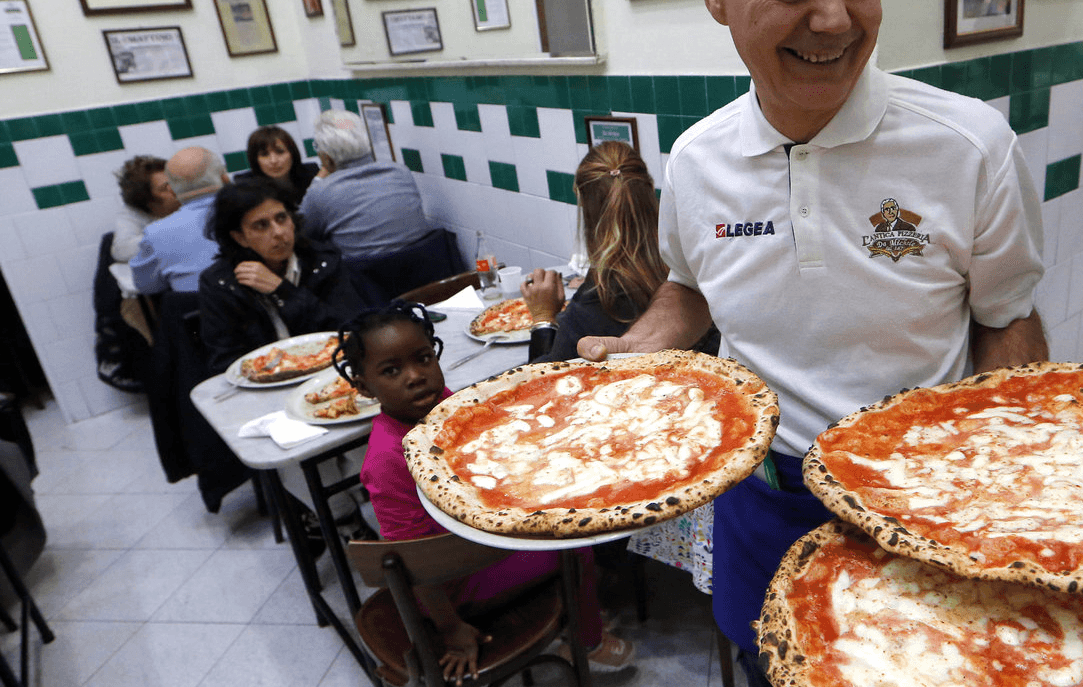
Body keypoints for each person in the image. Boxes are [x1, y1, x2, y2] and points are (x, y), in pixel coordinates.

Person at [574, 0, 1048, 676]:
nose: (834, 17)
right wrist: (640, 348)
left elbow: (1008, 318)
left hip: (920, 500)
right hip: (762, 499)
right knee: (770, 667)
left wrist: (1008, 477)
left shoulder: (970, 146)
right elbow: (691, 288)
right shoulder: (698, 157)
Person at [336, 303, 634, 678]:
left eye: (423, 359)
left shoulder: (445, 403)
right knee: (577, 547)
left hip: (481, 540)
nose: (415, 377)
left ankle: (578, 607)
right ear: (364, 386)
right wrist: (451, 629)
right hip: (453, 584)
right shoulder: (385, 460)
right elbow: (412, 563)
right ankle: (588, 642)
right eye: (391, 371)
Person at [521, 141, 717, 364]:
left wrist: (543, 319)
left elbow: (541, 376)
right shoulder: (693, 262)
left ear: (583, 202)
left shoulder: (593, 303)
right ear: (650, 188)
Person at [196, 182, 364, 375]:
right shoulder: (219, 282)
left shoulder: (323, 260)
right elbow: (225, 361)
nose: (278, 232)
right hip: (262, 382)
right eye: (261, 225)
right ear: (240, 238)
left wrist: (284, 292)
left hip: (331, 371)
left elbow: (351, 330)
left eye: (281, 218)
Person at [300, 109, 430, 263]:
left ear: (326, 158)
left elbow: (300, 234)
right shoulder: (400, 172)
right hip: (426, 270)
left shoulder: (321, 192)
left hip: (365, 277)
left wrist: (318, 180)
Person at [131, 147, 229, 294]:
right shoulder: (256, 212)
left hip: (197, 307)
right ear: (224, 178)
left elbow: (146, 286)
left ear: (171, 190)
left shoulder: (156, 233)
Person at [111, 155, 180, 263]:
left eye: (175, 182)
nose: (176, 189)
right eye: (165, 188)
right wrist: (172, 233)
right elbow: (122, 250)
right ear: (148, 199)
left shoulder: (191, 195)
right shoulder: (132, 212)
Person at [235, 125, 319, 206]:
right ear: (255, 160)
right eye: (264, 154)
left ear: (292, 153)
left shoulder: (311, 173)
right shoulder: (246, 188)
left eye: (280, 152)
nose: (273, 160)